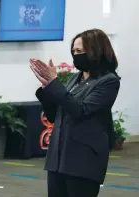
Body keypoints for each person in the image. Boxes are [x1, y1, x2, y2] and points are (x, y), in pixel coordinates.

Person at [29, 28, 120, 197]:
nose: (75, 55)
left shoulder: (108, 81)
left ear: (96, 51)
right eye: (73, 51)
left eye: (79, 51)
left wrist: (55, 84)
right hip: (59, 159)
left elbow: (80, 110)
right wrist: (47, 87)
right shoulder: (74, 79)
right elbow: (56, 114)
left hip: (83, 161)